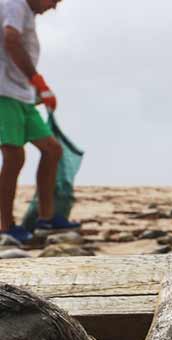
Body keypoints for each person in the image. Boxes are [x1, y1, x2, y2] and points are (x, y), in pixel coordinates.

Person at [0, 0, 78, 244]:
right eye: (53, 0)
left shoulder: (27, 13)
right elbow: (10, 39)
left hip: (21, 94)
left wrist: (35, 91)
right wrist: (37, 80)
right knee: (14, 157)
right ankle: (6, 226)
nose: (53, 6)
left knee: (52, 149)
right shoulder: (13, 4)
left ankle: (46, 219)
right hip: (4, 92)